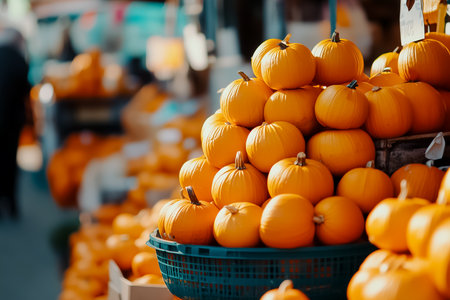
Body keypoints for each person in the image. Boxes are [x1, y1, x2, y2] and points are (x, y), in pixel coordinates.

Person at [0, 26, 32, 218]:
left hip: (7, 120)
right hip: (11, 123)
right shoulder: (19, 60)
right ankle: (11, 203)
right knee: (10, 163)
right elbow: (26, 91)